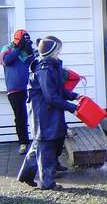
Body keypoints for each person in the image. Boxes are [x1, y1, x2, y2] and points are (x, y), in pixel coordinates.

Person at [17, 38, 79, 189]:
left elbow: (58, 88)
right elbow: (50, 96)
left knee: (39, 144)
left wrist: (74, 96)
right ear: (51, 52)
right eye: (58, 51)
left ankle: (25, 175)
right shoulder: (44, 69)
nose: (59, 53)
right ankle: (48, 182)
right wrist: (72, 107)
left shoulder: (51, 66)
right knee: (46, 146)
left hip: (48, 111)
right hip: (43, 113)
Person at [0, 29, 34, 154]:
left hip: (27, 88)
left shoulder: (25, 51)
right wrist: (18, 48)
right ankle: (23, 143)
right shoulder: (7, 48)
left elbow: (33, 63)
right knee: (20, 116)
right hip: (13, 90)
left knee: (37, 112)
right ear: (17, 40)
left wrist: (31, 51)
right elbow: (6, 60)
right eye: (22, 41)